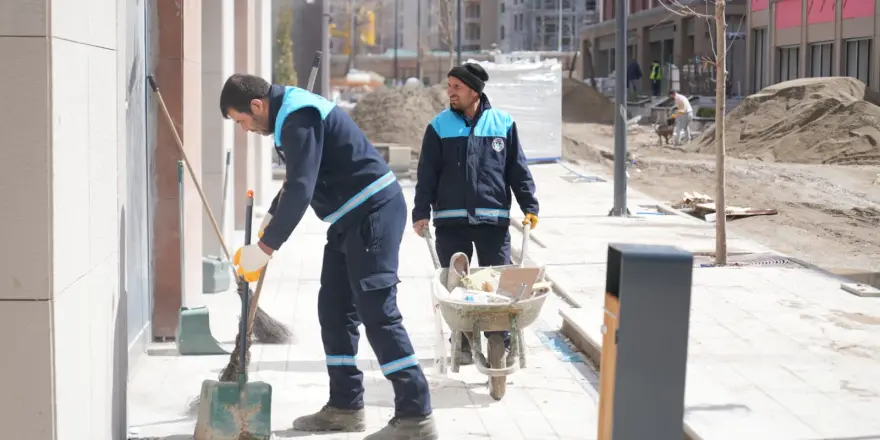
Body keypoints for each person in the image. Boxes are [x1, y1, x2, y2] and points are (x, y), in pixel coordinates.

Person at [221, 73, 437, 440]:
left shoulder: (298, 117)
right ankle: (345, 406)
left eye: (242, 121)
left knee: (378, 313)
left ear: (256, 105)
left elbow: (301, 188)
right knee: (334, 311)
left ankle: (416, 416)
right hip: (347, 220)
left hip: (373, 212)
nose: (245, 129)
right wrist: (270, 221)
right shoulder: (289, 117)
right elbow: (297, 178)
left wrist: (267, 247)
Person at [411, 63, 540, 365]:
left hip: (492, 221)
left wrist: (530, 207)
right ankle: (463, 341)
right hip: (450, 221)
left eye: (456, 87)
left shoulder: (503, 124)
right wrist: (420, 211)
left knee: (498, 284)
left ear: (474, 91)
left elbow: (517, 169)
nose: (450, 92)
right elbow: (427, 174)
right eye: (449, 86)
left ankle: (500, 339)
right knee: (457, 285)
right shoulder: (439, 126)